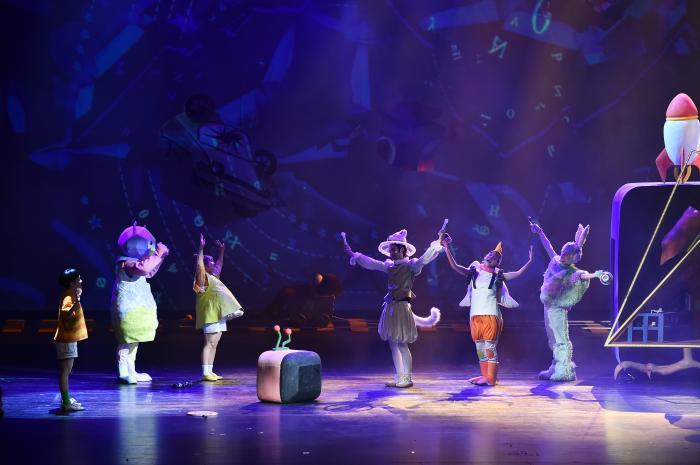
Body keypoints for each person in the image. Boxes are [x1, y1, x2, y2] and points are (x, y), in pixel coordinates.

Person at [343, 229, 443, 388]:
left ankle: (407, 378)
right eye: (390, 250)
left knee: (402, 344)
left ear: (402, 250)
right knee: (393, 344)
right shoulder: (389, 265)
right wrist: (354, 254)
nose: (391, 253)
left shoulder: (411, 265)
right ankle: (400, 376)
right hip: (390, 307)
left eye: (394, 250)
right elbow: (372, 263)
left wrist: (437, 243)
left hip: (402, 307)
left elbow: (424, 259)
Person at [442, 236, 532, 386]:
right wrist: (446, 247)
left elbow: (517, 273)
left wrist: (530, 260)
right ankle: (485, 375)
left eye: (496, 257)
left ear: (498, 263)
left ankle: (491, 378)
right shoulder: (474, 273)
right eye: (490, 254)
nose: (492, 257)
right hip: (475, 316)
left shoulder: (498, 276)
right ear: (485, 256)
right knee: (480, 348)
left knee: (490, 348)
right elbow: (455, 266)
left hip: (491, 316)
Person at [531, 221, 606, 381]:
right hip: (548, 305)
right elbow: (548, 246)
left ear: (572, 257)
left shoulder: (571, 271)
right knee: (552, 339)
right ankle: (555, 366)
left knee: (561, 338)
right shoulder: (555, 260)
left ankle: (565, 370)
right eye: (564, 253)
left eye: (568, 255)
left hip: (558, 307)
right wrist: (540, 232)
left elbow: (583, 276)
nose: (564, 256)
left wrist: (596, 275)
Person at [111, 222, 169, 384]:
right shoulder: (126, 263)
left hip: (136, 308)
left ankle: (131, 370)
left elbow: (149, 272)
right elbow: (144, 269)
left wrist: (161, 257)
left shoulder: (134, 263)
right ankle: (123, 372)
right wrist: (158, 253)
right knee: (126, 341)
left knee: (133, 341)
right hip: (127, 310)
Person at [194, 234, 244, 381]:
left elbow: (219, 265)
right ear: (205, 265)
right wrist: (201, 249)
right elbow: (199, 265)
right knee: (209, 343)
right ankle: (205, 372)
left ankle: (210, 370)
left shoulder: (214, 277)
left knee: (214, 344)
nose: (213, 263)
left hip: (218, 314)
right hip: (209, 314)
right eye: (210, 261)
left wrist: (222, 251)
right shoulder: (202, 278)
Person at [55, 268, 88, 411]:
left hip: (69, 338)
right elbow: (66, 315)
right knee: (65, 371)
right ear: (72, 282)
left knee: (66, 371)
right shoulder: (68, 297)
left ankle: (66, 399)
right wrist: (77, 301)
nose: (81, 281)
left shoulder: (70, 295)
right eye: (78, 279)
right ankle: (66, 402)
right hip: (66, 339)